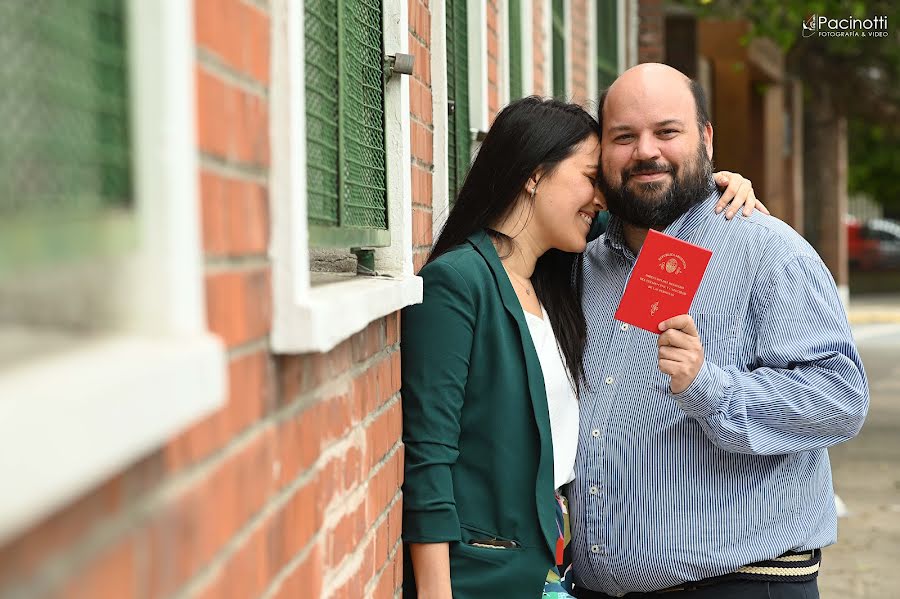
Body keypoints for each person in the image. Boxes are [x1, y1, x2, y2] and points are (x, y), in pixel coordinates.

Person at [400, 95, 763, 599]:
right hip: (483, 577)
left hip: (551, 570)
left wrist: (714, 185)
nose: (602, 199)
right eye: (592, 178)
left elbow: (650, 213)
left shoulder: (561, 276)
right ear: (532, 173)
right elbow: (429, 459)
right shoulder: (458, 283)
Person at [569, 63, 869, 599]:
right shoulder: (583, 265)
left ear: (706, 139)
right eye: (623, 136)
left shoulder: (764, 249)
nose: (645, 151)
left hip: (739, 582)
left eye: (667, 131)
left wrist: (708, 385)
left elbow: (841, 398)